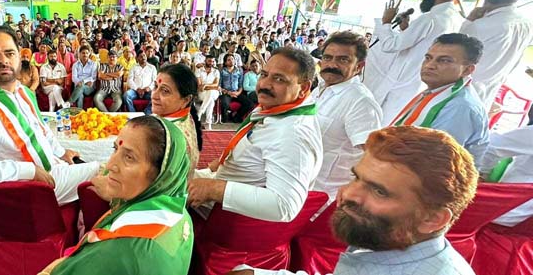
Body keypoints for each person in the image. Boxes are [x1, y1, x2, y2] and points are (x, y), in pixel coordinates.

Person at [228, 126, 478, 275]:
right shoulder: (389, 240)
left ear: (433, 219)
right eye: (356, 177)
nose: (348, 194)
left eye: (379, 191)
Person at [0, 26, 98, 205]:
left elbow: (40, 130)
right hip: (29, 188)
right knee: (109, 173)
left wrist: (61, 152)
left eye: (9, 53)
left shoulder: (21, 91)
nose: (3, 60)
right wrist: (28, 171)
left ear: (19, 56)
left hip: (50, 166)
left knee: (111, 171)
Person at [41, 116, 193, 275]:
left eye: (129, 157)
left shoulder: (120, 250)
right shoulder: (179, 213)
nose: (110, 165)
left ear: (161, 175)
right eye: (115, 149)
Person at [188, 48, 323, 222]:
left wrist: (214, 189)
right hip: (221, 182)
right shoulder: (276, 110)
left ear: (304, 88)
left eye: (279, 79)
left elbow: (285, 206)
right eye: (264, 75)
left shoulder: (294, 134)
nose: (265, 84)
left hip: (228, 216)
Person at [370, 0, 470, 124]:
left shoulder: (429, 18)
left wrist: (386, 22)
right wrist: (406, 30)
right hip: (420, 84)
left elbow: (390, 45)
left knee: (381, 126)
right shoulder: (455, 19)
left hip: (401, 84)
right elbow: (424, 45)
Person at [391, 33, 489, 161]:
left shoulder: (460, 107)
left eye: (444, 60)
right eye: (428, 58)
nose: (429, 65)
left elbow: (433, 161)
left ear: (467, 70)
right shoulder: (437, 92)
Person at [311, 31, 382, 199]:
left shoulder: (360, 102)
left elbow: (374, 157)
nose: (332, 64)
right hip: (300, 186)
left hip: (325, 197)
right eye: (328, 57)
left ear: (359, 66)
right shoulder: (319, 89)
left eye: (343, 60)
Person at [460, 0, 533, 110]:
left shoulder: (480, 26)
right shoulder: (527, 24)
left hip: (463, 89)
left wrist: (469, 21)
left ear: (487, 0)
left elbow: (454, 49)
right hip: (490, 89)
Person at [152, 63, 202, 173]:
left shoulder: (161, 134)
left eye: (165, 91)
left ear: (186, 100)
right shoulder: (186, 116)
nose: (154, 96)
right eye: (155, 87)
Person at [479, 125, 533, 227]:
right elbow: (490, 147)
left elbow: (489, 146)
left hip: (501, 214)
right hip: (512, 218)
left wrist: (481, 176)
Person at [219, 53, 253, 123]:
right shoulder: (222, 71)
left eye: (232, 59)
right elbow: (219, 85)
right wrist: (228, 92)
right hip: (225, 93)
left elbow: (240, 85)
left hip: (236, 92)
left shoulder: (239, 70)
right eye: (229, 60)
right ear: (225, 62)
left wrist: (237, 93)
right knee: (225, 104)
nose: (231, 61)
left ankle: (237, 116)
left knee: (249, 104)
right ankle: (227, 116)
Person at [196, 55, 220, 128]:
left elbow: (216, 84)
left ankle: (200, 113)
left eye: (213, 61)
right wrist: (212, 87)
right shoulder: (199, 71)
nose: (211, 63)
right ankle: (208, 124)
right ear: (205, 61)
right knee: (211, 101)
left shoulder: (216, 71)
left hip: (214, 93)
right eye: (209, 61)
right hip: (202, 93)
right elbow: (200, 86)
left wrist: (205, 85)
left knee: (211, 92)